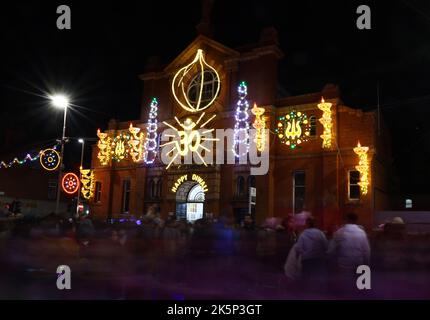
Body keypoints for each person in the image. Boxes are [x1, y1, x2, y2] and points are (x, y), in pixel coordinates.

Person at [327, 212, 370, 293]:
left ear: (347, 220)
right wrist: (366, 265)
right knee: (358, 290)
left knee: (345, 289)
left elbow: (331, 250)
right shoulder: (362, 233)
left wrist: (332, 264)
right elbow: (366, 251)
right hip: (359, 264)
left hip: (344, 265)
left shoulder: (340, 232)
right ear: (356, 220)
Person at [295, 216, 328, 289]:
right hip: (319, 259)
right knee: (319, 279)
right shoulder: (320, 233)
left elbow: (299, 248)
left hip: (307, 260)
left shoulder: (303, 234)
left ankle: (307, 293)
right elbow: (326, 246)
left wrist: (305, 253)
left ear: (307, 224)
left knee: (306, 279)